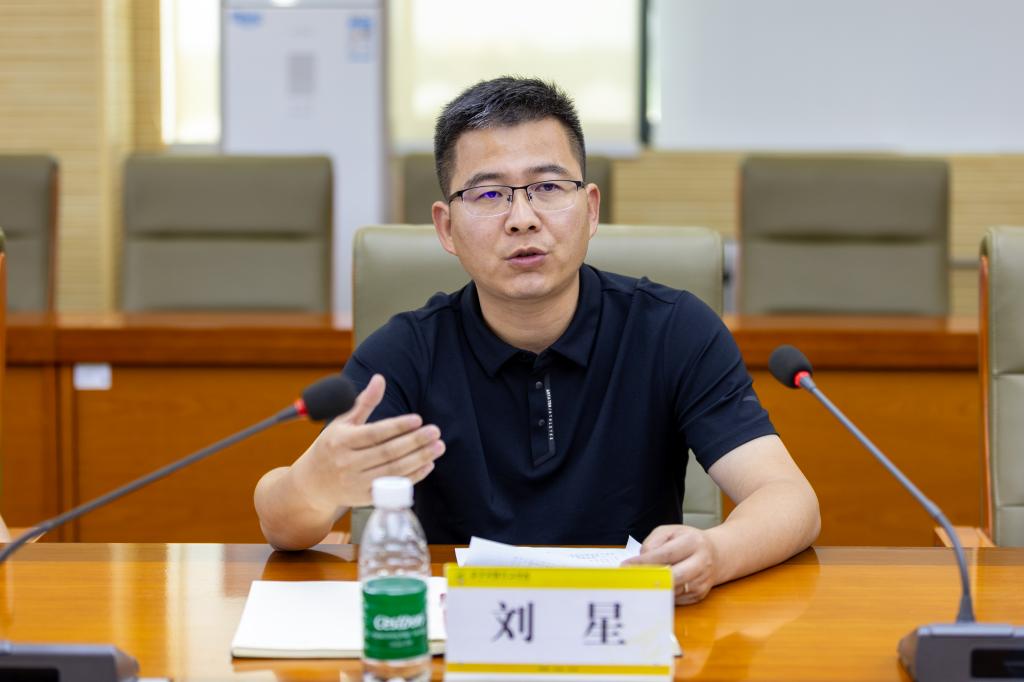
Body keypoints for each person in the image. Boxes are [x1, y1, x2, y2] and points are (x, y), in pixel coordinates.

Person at [255, 77, 819, 603]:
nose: (522, 218)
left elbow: (790, 499)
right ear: (447, 228)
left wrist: (717, 552)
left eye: (548, 187)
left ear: (591, 209)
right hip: (461, 633)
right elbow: (282, 523)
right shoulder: (404, 353)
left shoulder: (673, 330)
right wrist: (316, 484)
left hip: (628, 628)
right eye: (489, 195)